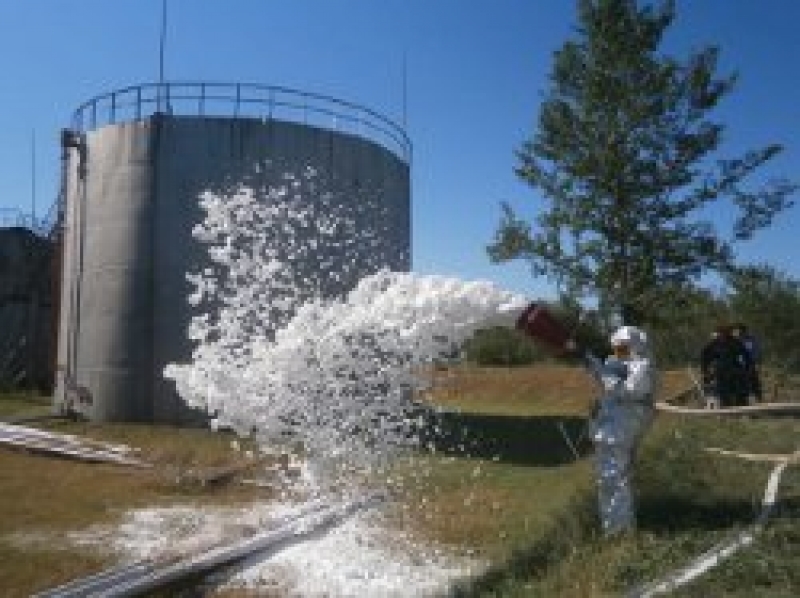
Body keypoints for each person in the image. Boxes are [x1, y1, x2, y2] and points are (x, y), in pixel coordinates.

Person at [583, 325, 657, 537]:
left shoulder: (642, 365)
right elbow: (611, 381)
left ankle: (619, 531)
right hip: (617, 423)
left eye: (622, 348)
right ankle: (618, 526)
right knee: (612, 479)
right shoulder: (622, 363)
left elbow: (630, 390)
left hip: (624, 425)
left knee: (613, 479)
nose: (618, 353)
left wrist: (604, 375)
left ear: (633, 346)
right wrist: (594, 365)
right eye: (616, 349)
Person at [700, 325, 753, 407]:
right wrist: (705, 371)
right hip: (721, 373)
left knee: (740, 392)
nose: (722, 335)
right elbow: (705, 358)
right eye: (721, 333)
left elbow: (746, 357)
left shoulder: (736, 342)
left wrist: (747, 369)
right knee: (724, 394)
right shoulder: (714, 344)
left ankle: (742, 409)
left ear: (728, 333)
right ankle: (727, 410)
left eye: (725, 333)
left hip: (735, 372)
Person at [731, 323, 763, 403]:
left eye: (736, 331)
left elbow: (756, 351)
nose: (735, 333)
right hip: (738, 366)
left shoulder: (751, 340)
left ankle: (758, 398)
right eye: (734, 331)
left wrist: (755, 362)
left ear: (742, 331)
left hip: (750, 364)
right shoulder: (734, 341)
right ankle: (741, 401)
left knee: (754, 382)